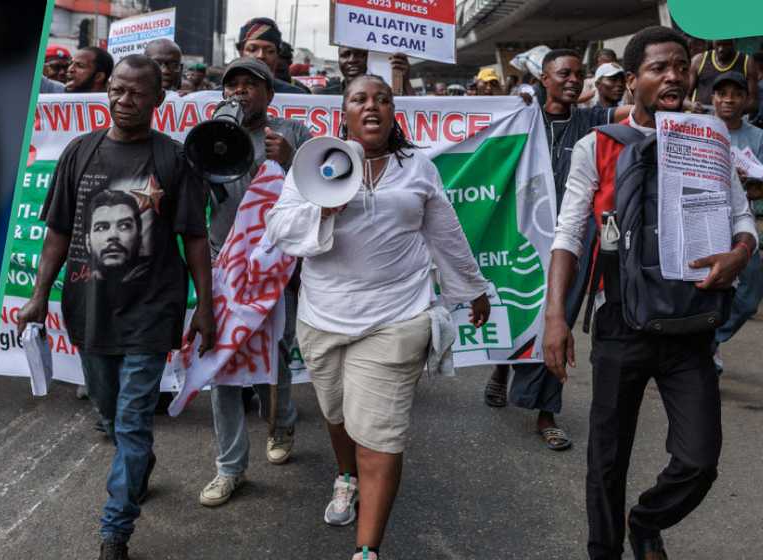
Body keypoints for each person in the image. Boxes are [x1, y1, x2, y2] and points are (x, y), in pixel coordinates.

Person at [545, 26, 758, 560]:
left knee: (699, 460)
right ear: (632, 80)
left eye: (680, 67)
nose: (672, 76)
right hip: (620, 321)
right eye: (658, 68)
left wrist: (740, 252)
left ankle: (646, 521)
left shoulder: (711, 138)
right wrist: (555, 318)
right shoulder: (598, 146)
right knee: (608, 458)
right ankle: (605, 550)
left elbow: (741, 218)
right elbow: (568, 233)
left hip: (690, 323)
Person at [265, 74, 490, 560]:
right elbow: (280, 226)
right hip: (323, 316)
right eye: (360, 99)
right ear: (342, 113)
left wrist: (472, 288)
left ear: (393, 113)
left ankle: (367, 551)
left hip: (397, 316)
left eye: (383, 100)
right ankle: (345, 476)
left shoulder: (417, 168)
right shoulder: (317, 165)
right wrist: (324, 210)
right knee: (337, 413)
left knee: (379, 433)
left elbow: (446, 231)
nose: (372, 107)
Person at [17, 54, 213, 560]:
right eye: (118, 91)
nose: (124, 101)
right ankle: (138, 462)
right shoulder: (80, 152)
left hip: (152, 310)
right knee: (108, 416)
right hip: (89, 308)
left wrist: (205, 308)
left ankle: (114, 531)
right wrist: (40, 295)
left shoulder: (173, 159)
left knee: (131, 421)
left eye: (136, 94)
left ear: (158, 100)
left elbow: (194, 240)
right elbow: (57, 232)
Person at [484, 48, 629, 452]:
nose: (572, 80)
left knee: (558, 315)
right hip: (521, 234)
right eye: (563, 73)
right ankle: (501, 369)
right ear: (543, 79)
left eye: (578, 75)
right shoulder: (522, 116)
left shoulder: (589, 120)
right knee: (520, 309)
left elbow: (634, 115)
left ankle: (546, 413)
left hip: (572, 238)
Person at [196, 56, 310, 508]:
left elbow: (323, 188)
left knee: (274, 355)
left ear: (269, 94)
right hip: (226, 263)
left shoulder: (292, 133)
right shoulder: (213, 132)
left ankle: (281, 422)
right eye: (232, 85)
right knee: (221, 363)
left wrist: (292, 160)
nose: (240, 91)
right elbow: (196, 196)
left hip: (278, 266)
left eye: (250, 84)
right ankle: (230, 468)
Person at [709, 71, 763, 369]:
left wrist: (750, 183)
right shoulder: (701, 128)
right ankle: (703, 348)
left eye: (736, 94)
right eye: (722, 93)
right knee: (706, 285)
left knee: (749, 295)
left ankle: (713, 338)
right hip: (706, 220)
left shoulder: (757, 137)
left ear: (746, 99)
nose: (728, 99)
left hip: (742, 225)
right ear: (712, 98)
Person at [234, 17, 304, 94]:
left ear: (277, 55)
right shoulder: (221, 95)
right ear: (241, 53)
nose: (261, 56)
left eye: (269, 51)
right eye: (252, 49)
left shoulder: (297, 95)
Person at [690, 39, 759, 113]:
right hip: (700, 118)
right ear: (712, 42)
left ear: (734, 42)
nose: (721, 49)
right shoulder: (699, 60)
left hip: (732, 120)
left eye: (726, 45)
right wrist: (691, 105)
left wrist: (732, 112)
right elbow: (683, 97)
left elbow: (753, 103)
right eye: (718, 44)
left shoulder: (747, 63)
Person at [314, 47, 412, 96]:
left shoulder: (384, 94)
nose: (352, 60)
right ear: (338, 59)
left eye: (359, 54)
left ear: (368, 58)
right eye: (345, 55)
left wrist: (405, 82)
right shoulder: (326, 95)